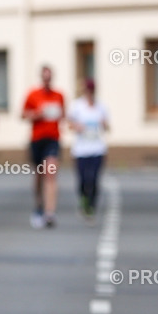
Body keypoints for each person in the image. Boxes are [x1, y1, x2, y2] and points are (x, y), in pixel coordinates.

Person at [22, 65, 65, 229]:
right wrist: (38, 114)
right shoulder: (33, 94)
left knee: (51, 172)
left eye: (49, 77)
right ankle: (39, 205)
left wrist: (58, 115)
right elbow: (24, 114)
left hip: (53, 139)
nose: (47, 80)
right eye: (44, 77)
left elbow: (63, 114)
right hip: (37, 139)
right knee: (39, 176)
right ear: (41, 78)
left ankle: (50, 212)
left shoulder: (59, 95)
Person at [67, 78, 109, 220]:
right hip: (81, 150)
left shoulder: (101, 107)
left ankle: (92, 205)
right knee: (83, 179)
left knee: (95, 179)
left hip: (97, 149)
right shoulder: (77, 106)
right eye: (87, 90)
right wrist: (77, 126)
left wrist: (104, 124)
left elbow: (107, 126)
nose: (90, 93)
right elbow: (69, 124)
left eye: (92, 90)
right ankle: (83, 200)